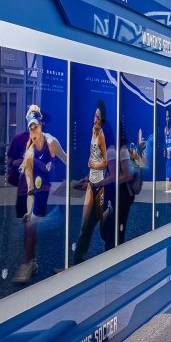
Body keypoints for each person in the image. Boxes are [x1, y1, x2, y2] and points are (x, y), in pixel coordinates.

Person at [11, 105, 67, 283]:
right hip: (37, 192)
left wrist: (69, 182)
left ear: (41, 125)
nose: (33, 131)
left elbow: (67, 160)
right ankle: (30, 264)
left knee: (34, 227)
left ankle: (30, 263)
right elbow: (30, 187)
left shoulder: (52, 143)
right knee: (31, 225)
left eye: (35, 126)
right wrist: (29, 209)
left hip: (48, 189)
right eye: (30, 128)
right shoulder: (29, 154)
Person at [72, 100, 111, 265]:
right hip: (91, 184)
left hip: (101, 186)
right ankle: (77, 262)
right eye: (94, 116)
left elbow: (105, 161)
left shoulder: (102, 134)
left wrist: (94, 165)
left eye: (98, 117)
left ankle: (111, 258)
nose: (95, 119)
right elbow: (92, 156)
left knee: (104, 228)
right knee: (84, 226)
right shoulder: (92, 132)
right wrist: (88, 177)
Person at [162, 108, 171, 193]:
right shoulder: (165, 129)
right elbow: (165, 142)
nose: (167, 118)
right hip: (167, 156)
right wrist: (164, 150)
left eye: (168, 116)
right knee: (167, 175)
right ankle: (167, 192)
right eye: (166, 116)